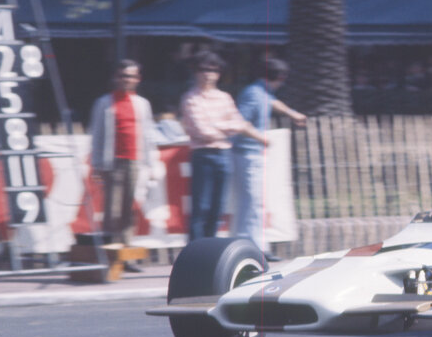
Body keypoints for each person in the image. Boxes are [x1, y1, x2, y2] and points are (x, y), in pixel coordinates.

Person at [179, 50, 267, 242]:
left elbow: (238, 123)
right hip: (203, 155)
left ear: (218, 73)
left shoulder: (224, 97)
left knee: (218, 207)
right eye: (203, 69)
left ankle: (209, 251)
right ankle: (195, 251)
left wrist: (220, 127)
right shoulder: (190, 98)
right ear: (195, 72)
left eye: (213, 70)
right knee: (201, 206)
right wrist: (227, 128)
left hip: (224, 155)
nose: (208, 74)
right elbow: (201, 130)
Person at [232, 57, 306, 259]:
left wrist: (293, 114)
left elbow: (272, 102)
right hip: (247, 154)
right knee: (252, 203)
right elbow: (240, 122)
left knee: (256, 203)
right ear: (279, 77)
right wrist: (261, 139)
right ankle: (254, 249)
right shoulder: (253, 95)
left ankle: (255, 246)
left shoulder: (260, 92)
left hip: (253, 153)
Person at [89, 59, 158, 269]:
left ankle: (127, 256)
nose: (125, 80)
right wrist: (97, 164)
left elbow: (148, 136)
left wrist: (152, 164)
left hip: (135, 162)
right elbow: (97, 134)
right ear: (115, 78)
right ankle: (111, 258)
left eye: (130, 76)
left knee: (130, 211)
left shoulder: (142, 104)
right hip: (112, 163)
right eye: (122, 75)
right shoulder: (105, 103)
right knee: (112, 211)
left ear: (137, 79)